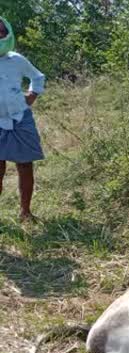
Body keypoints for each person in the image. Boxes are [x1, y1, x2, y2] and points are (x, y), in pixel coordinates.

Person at [0, 17, 45, 222]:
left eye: (2, 32)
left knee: (25, 165)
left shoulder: (16, 60)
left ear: (8, 34)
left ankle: (25, 212)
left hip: (20, 118)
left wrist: (33, 94)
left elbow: (37, 76)